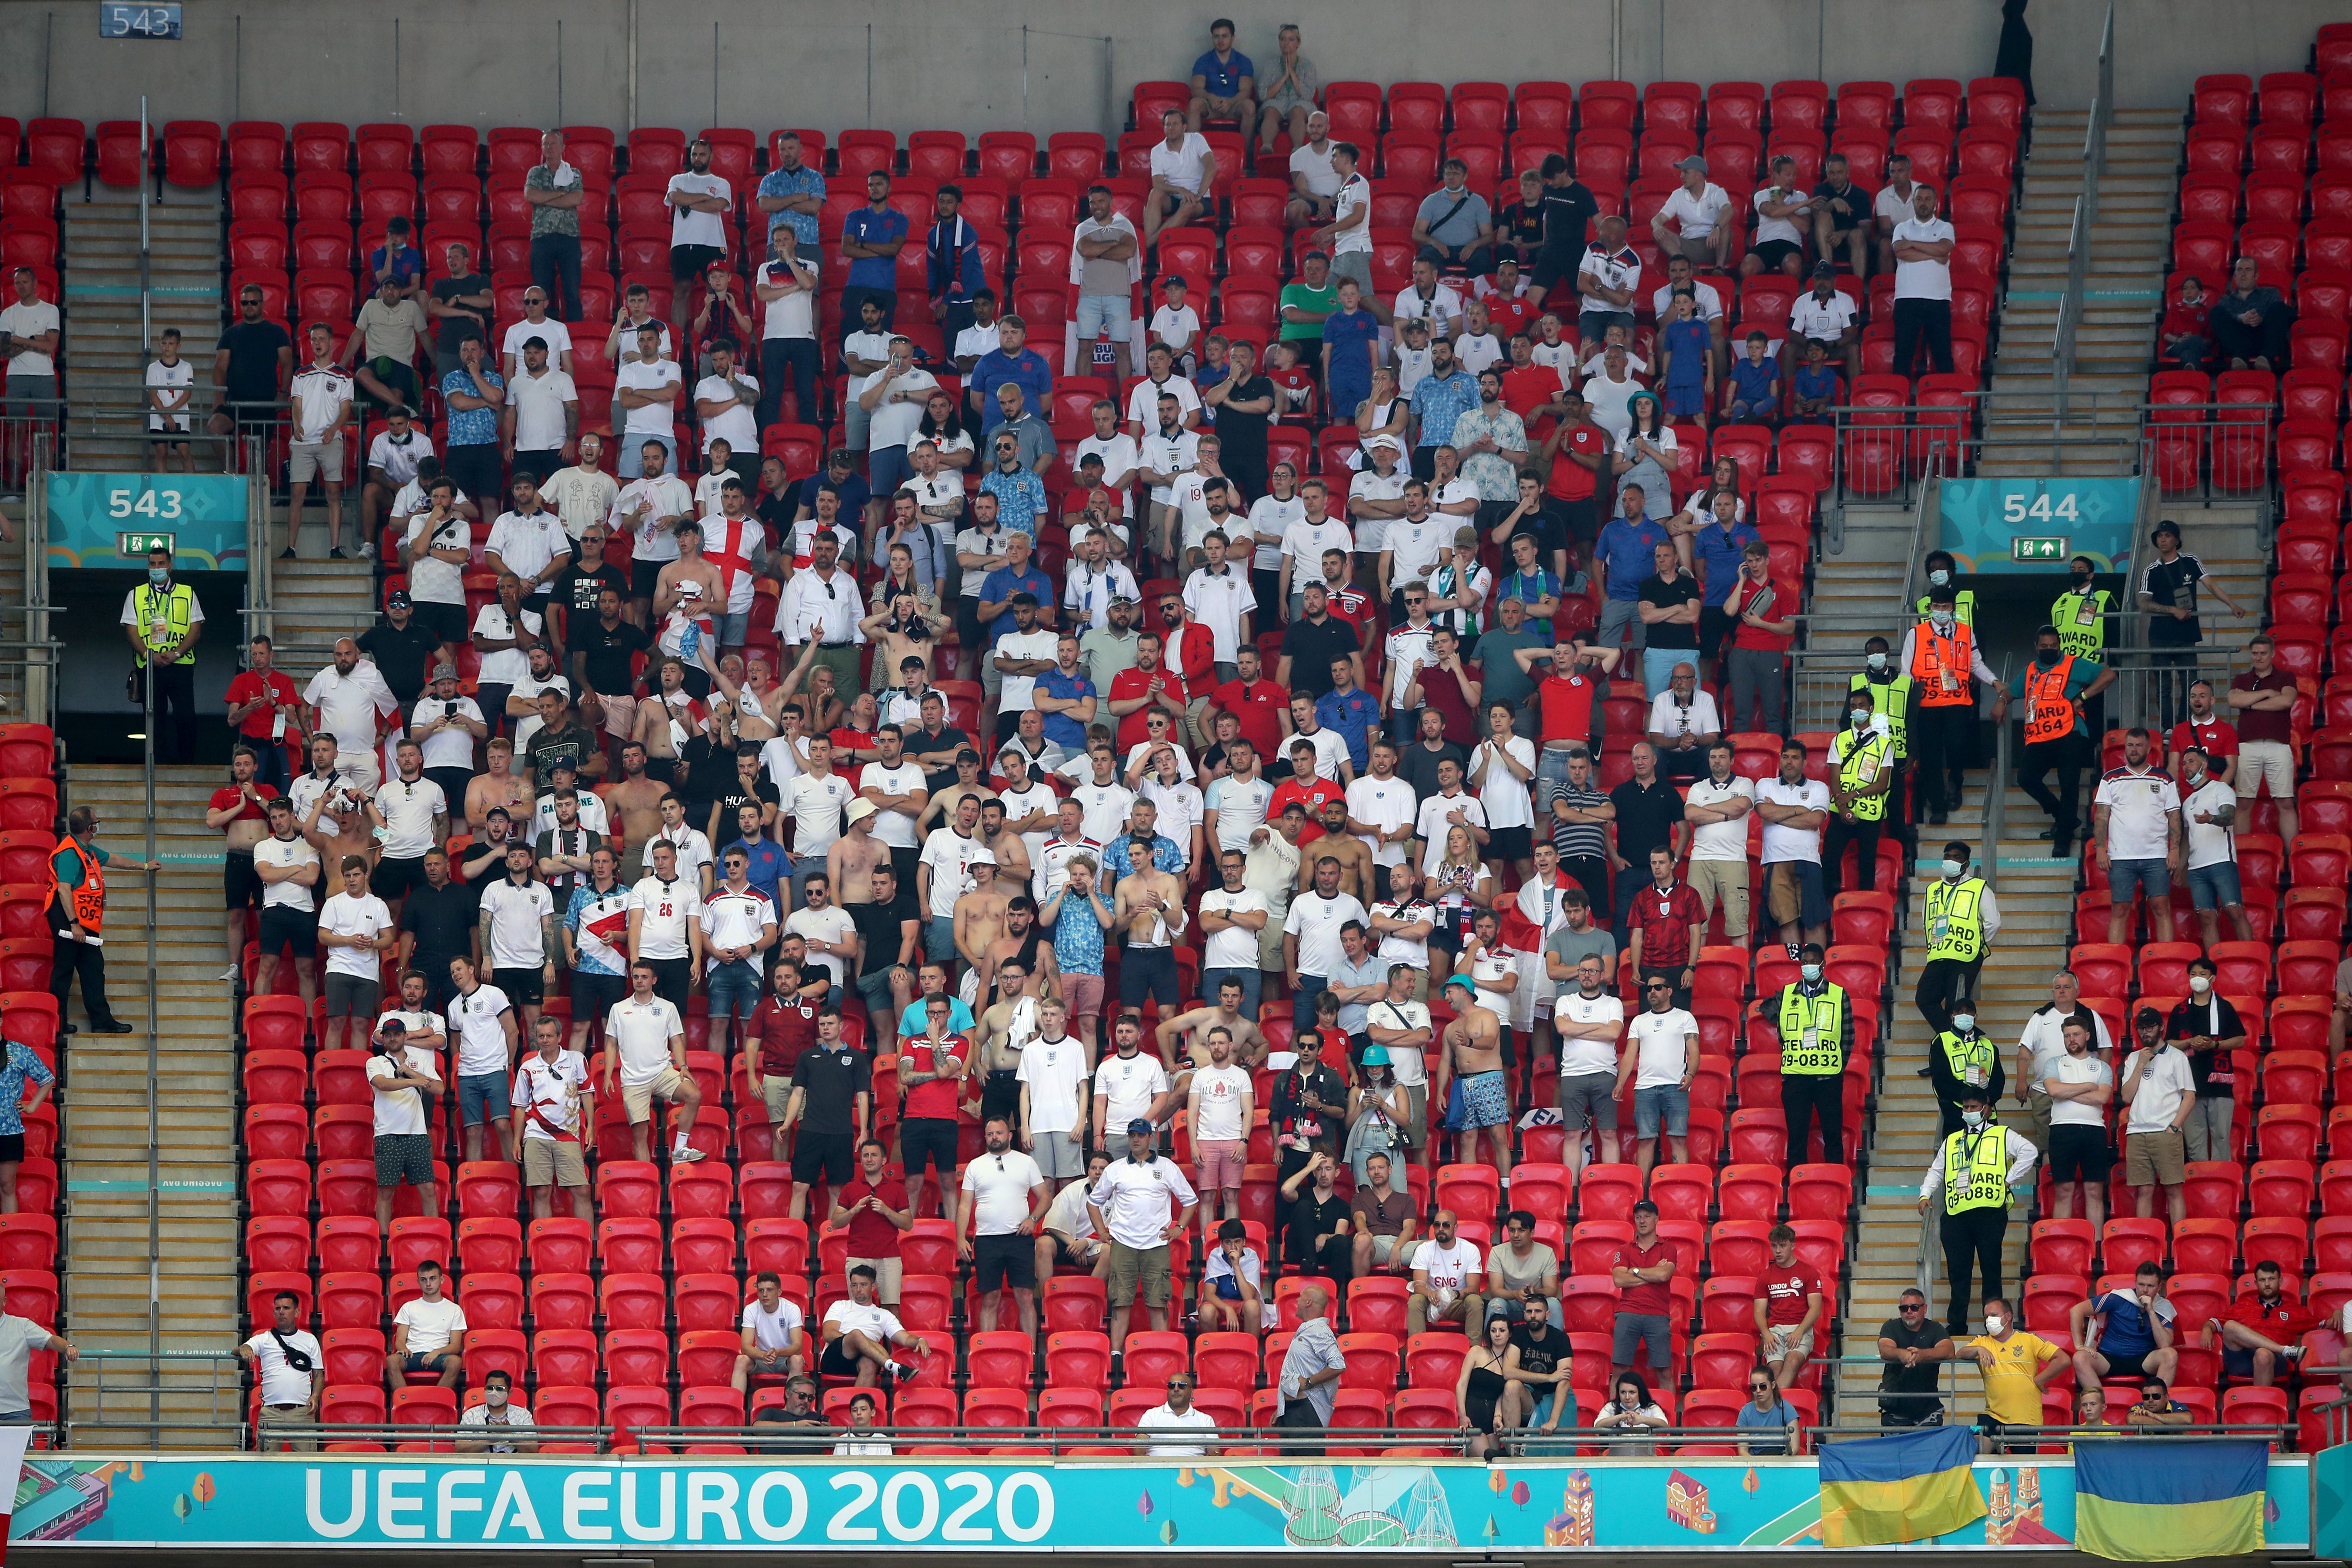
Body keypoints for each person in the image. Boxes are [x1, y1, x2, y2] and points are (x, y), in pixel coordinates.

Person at [1919, 1085, 2038, 1340]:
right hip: (1957, 1213)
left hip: (1990, 1213)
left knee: (1991, 1270)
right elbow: (1937, 1170)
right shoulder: (1952, 1140)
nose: (1969, 1111)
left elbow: (2030, 1151)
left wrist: (2010, 1179)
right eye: (1966, 1107)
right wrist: (1925, 1194)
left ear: (1986, 1108)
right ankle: (1957, 1323)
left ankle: (1994, 1323)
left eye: (1974, 1107)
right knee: (1958, 1272)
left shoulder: (2001, 1134)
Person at [1088, 1118, 1199, 1352]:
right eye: (1132, 1135)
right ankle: (1116, 1353)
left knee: (1158, 1300)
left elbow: (1190, 1201)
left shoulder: (1167, 1167)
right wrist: (1101, 1232)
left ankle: (1163, 1351)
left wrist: (1179, 1229)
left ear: (1151, 1138)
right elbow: (1093, 1202)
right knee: (1120, 1300)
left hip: (1156, 1243)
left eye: (1140, 1135)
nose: (1135, 1139)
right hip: (1123, 1242)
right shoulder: (1115, 1168)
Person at [48, 806, 156, 1035]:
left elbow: (113, 859)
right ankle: (55, 1024)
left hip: (84, 921)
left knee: (93, 969)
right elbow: (64, 891)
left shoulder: (86, 849)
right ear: (89, 828)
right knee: (64, 972)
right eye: (96, 822)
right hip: (70, 919)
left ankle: (101, 1021)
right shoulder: (69, 853)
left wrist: (145, 866)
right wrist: (74, 923)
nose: (98, 825)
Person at [956, 1115, 1049, 1335]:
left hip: (1019, 1239)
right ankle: (987, 1352)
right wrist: (960, 1238)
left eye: (999, 1133)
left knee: (1026, 1296)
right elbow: (963, 1207)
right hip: (987, 1240)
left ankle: (1031, 1357)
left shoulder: (1026, 1162)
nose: (994, 1138)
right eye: (990, 1134)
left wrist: (1033, 1220)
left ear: (1009, 1135)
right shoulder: (975, 1166)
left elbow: (1046, 1197)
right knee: (990, 1298)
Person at [120, 543, 206, 765]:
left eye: (161, 564)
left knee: (186, 716)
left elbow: (195, 630)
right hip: (150, 666)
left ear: (170, 566)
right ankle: (157, 763)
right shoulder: (136, 594)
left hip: (181, 664)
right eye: (152, 564)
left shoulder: (188, 593)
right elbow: (131, 630)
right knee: (154, 717)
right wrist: (150, 655)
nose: (156, 567)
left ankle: (187, 762)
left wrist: (176, 653)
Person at [2120, 1005, 2196, 1226]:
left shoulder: (2176, 1057)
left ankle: (2179, 1242)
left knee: (2173, 1189)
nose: (2145, 1033)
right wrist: (2141, 1064)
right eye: (2141, 1029)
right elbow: (2126, 1096)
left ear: (2161, 1028)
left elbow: (2189, 1097)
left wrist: (2174, 1127)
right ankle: (2145, 1240)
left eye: (2150, 1027)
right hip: (2137, 1132)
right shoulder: (2134, 1058)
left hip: (2165, 1132)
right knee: (2144, 1190)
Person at [1958, 1296, 2065, 1454]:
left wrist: (2040, 1379)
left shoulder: (2029, 1339)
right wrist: (1978, 1350)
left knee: (2023, 1472)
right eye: (1986, 1317)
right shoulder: (1982, 1342)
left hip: (2026, 1419)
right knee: (1979, 1456)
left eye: (1994, 1315)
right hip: (1993, 1416)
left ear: (2008, 1316)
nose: (1989, 1321)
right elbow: (1961, 1353)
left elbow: (2063, 1359)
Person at [1617, 970, 1697, 1179]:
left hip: (1675, 1086)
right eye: (1649, 988)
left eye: (1658, 987)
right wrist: (1620, 1083)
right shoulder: (1639, 1021)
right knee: (1645, 1140)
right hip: (1645, 1088)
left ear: (1669, 991)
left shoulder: (1684, 1017)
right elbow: (1629, 1055)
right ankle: (1641, 1193)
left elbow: (1694, 1051)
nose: (1652, 991)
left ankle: (1681, 1188)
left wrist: (1690, 1075)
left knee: (1678, 1139)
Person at [1917, 844, 1998, 1041]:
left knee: (1956, 1006)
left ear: (1966, 864)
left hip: (1966, 956)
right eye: (1947, 857)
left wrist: (1978, 947)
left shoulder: (1978, 888)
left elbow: (1993, 923)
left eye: (1956, 857)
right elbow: (1926, 920)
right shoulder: (1933, 889)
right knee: (1924, 998)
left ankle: (1951, 1053)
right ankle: (1952, 1045)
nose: (1950, 861)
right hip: (1939, 954)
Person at [2042, 1018, 2115, 1232]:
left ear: (2087, 1036)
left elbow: (2102, 1097)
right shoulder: (2053, 1063)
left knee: (2094, 1190)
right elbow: (2053, 1091)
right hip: (2062, 1130)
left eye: (2076, 1034)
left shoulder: (2102, 1067)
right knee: (2064, 1189)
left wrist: (2068, 1093)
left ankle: (2097, 1248)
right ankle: (2060, 1243)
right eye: (2067, 1036)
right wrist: (2087, 1087)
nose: (2072, 1039)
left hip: (2094, 1131)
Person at [2070, 1261, 2181, 1391]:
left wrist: (2151, 1311)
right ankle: (2099, 1403)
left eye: (2150, 1286)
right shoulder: (2119, 1297)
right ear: (2135, 1283)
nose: (2145, 1290)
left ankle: (2158, 1406)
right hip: (2109, 1358)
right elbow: (2076, 1310)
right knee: (2079, 1358)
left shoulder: (2164, 1307)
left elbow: (2165, 1345)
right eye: (2141, 1285)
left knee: (2170, 1355)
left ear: (2159, 1287)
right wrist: (2079, 1345)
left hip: (2144, 1359)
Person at [2207, 1259, 2314, 1389]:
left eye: (2272, 1279)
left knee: (2263, 1354)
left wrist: (2337, 1313)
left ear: (2280, 1281)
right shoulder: (2243, 1305)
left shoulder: (2296, 1311)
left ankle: (2260, 1404)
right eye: (2263, 1280)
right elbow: (2212, 1324)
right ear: (2256, 1283)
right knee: (2230, 1326)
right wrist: (2207, 1329)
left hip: (2274, 1361)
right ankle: (2286, 1351)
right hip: (2242, 1360)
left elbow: (2325, 1324)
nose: (2267, 1284)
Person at [819, 1265, 928, 1388]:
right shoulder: (840, 1306)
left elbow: (905, 1338)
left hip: (866, 1358)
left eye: (864, 1285)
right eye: (855, 1285)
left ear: (873, 1287)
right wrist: (857, 1341)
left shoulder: (884, 1315)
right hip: (835, 1358)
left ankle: (859, 1406)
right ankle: (893, 1366)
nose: (859, 1289)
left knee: (870, 1363)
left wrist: (919, 1340)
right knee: (856, 1334)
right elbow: (828, 1335)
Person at [240, 1289, 323, 1451]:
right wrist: (244, 1348)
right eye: (278, 1309)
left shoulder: (310, 1340)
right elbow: (242, 1348)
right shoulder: (264, 1338)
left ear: (297, 1312)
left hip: (301, 1412)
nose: (281, 1312)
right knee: (266, 1462)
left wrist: (316, 1396)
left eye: (286, 1308)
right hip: (272, 1411)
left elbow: (319, 1374)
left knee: (307, 1461)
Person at [1877, 1287, 1954, 1429]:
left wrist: (1922, 1356)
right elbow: (1885, 1349)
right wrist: (1902, 1354)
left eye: (1914, 1307)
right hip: (1895, 1410)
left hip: (1929, 1410)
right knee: (1895, 1452)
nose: (1909, 1312)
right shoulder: (1891, 1326)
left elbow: (1949, 1350)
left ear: (1925, 1308)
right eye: (1904, 1308)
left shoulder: (1935, 1328)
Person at [386, 1258, 465, 1393]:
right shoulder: (409, 1307)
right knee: (392, 1361)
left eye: (433, 1279)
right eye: (424, 1280)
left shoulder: (454, 1309)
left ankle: (438, 1400)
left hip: (439, 1356)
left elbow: (456, 1346)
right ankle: (405, 1401)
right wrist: (404, 1349)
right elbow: (400, 1340)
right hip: (412, 1355)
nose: (428, 1284)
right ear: (419, 1282)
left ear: (441, 1280)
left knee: (456, 1362)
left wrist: (436, 1352)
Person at [1454, 1314, 1518, 1458]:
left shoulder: (1512, 1362)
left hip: (1493, 1421)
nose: (1497, 1335)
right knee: (1487, 1458)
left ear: (1510, 1334)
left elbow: (1506, 1392)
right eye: (1493, 1330)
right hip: (1472, 1416)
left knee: (1495, 1464)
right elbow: (1462, 1384)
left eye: (1502, 1331)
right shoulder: (1477, 1351)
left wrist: (1498, 1415)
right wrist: (1463, 1416)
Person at [1139, 1371, 1219, 1458]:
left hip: (1194, 1468)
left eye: (1182, 1386)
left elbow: (1215, 1453)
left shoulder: (1206, 1420)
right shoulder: (1151, 1415)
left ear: (1192, 1392)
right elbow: (1138, 1450)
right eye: (1172, 1386)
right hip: (1158, 1468)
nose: (1176, 1389)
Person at [1592, 1373, 1671, 1456]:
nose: (1627, 1397)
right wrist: (1620, 1417)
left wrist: (1642, 1420)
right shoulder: (1611, 1407)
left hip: (1645, 1464)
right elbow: (1598, 1425)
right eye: (1623, 1392)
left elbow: (1664, 1424)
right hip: (1616, 1464)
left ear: (1640, 1393)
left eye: (1632, 1392)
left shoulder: (1651, 1407)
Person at [1736, 1371, 1803, 1457]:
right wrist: (1758, 1465)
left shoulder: (1787, 1409)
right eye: (1754, 1388)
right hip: (1756, 1461)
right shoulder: (1745, 1412)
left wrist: (1781, 1461)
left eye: (1763, 1387)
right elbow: (1743, 1451)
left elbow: (1795, 1448)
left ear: (1773, 1385)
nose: (1758, 1391)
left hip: (1782, 1460)